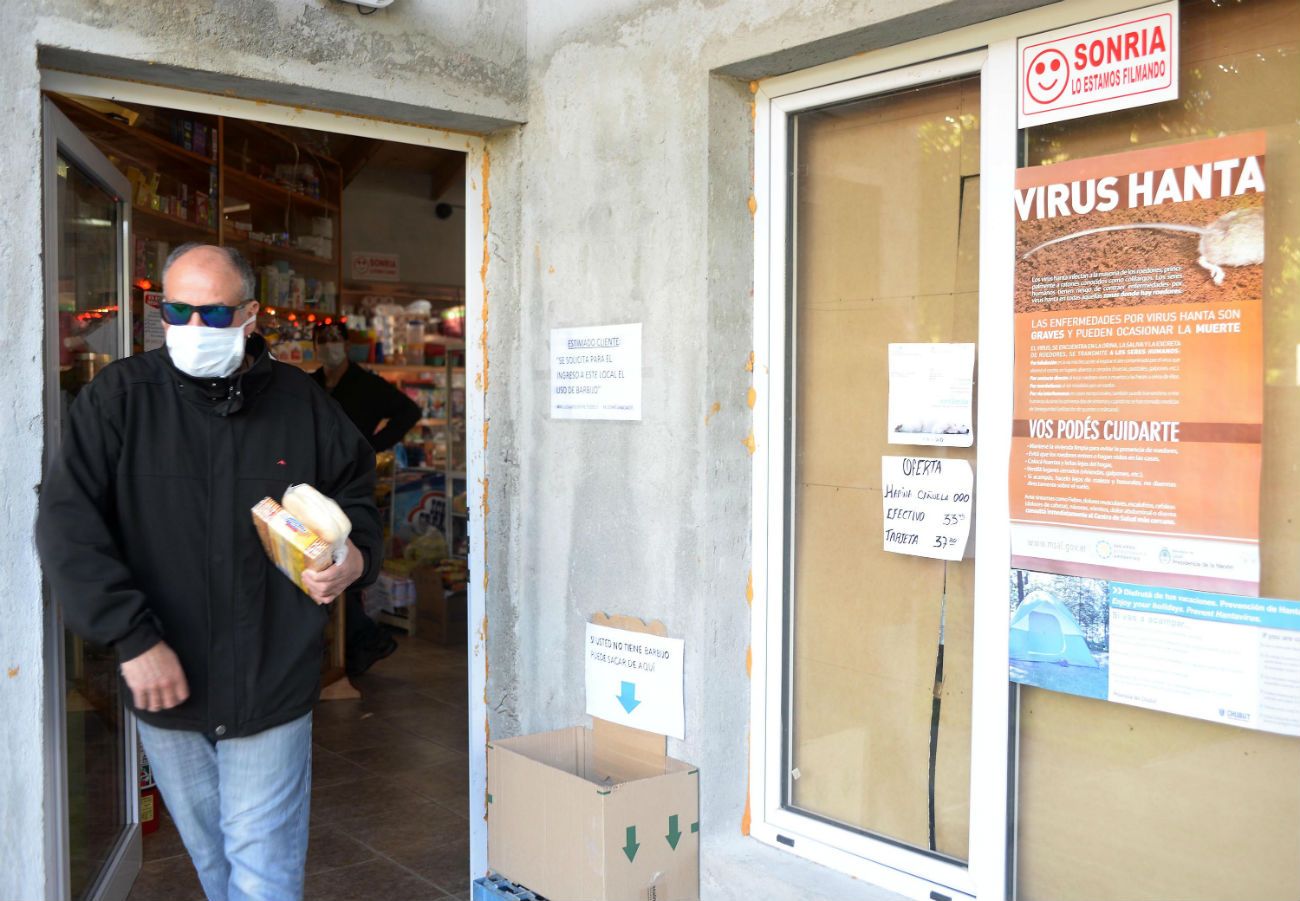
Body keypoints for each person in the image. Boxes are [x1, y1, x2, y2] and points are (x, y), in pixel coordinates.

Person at [36, 244, 382, 901]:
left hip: (270, 676)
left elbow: (356, 498)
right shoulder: (119, 398)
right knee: (216, 864)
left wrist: (354, 560)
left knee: (262, 875)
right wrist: (132, 639)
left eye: (215, 312)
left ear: (250, 314)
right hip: (166, 680)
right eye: (177, 309)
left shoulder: (302, 405)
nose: (194, 327)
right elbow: (67, 524)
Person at [311, 320, 421, 675]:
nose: (329, 346)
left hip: (351, 484)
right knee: (318, 563)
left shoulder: (366, 384)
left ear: (346, 343)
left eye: (334, 339)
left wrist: (372, 447)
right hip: (311, 486)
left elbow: (409, 411)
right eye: (322, 340)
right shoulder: (309, 384)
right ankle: (352, 642)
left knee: (347, 557)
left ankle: (361, 637)